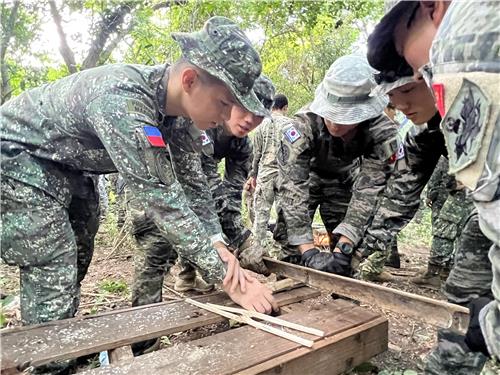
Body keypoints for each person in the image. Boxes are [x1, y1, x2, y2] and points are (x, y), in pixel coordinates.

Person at [1, 16, 277, 372]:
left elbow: (195, 191)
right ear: (189, 80)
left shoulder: (177, 119)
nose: (228, 116)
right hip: (16, 158)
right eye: (224, 104)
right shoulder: (125, 102)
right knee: (53, 259)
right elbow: (160, 199)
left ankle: (61, 343)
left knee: (80, 251)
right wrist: (227, 277)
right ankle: (47, 363)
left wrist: (221, 249)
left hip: (68, 167)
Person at [368, 0, 499, 372]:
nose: (403, 104)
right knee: (467, 288)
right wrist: (357, 249)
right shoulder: (426, 133)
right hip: (483, 219)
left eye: (409, 89)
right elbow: (400, 192)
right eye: (394, 99)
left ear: (432, 8)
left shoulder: (470, 50)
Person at [274, 54, 398, 277]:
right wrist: (308, 251)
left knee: (345, 259)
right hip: (307, 180)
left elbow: (369, 193)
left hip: (344, 181)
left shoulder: (381, 133)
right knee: (289, 244)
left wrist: (345, 246)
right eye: (331, 112)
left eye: (345, 117)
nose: (334, 122)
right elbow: (292, 187)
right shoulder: (302, 125)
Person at [172, 75, 275, 293]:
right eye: (245, 109)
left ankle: (186, 277)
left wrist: (243, 240)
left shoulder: (242, 145)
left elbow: (232, 192)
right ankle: (183, 274)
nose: (250, 120)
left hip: (196, 186)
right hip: (169, 184)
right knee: (162, 240)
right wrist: (242, 239)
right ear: (230, 101)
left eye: (258, 115)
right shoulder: (201, 126)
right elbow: (206, 190)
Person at [248, 93, 290, 247]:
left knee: (261, 215)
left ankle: (257, 250)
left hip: (265, 174)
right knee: (283, 215)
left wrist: (253, 174)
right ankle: (281, 251)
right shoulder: (290, 125)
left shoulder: (261, 125)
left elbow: (256, 154)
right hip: (284, 175)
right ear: (285, 107)